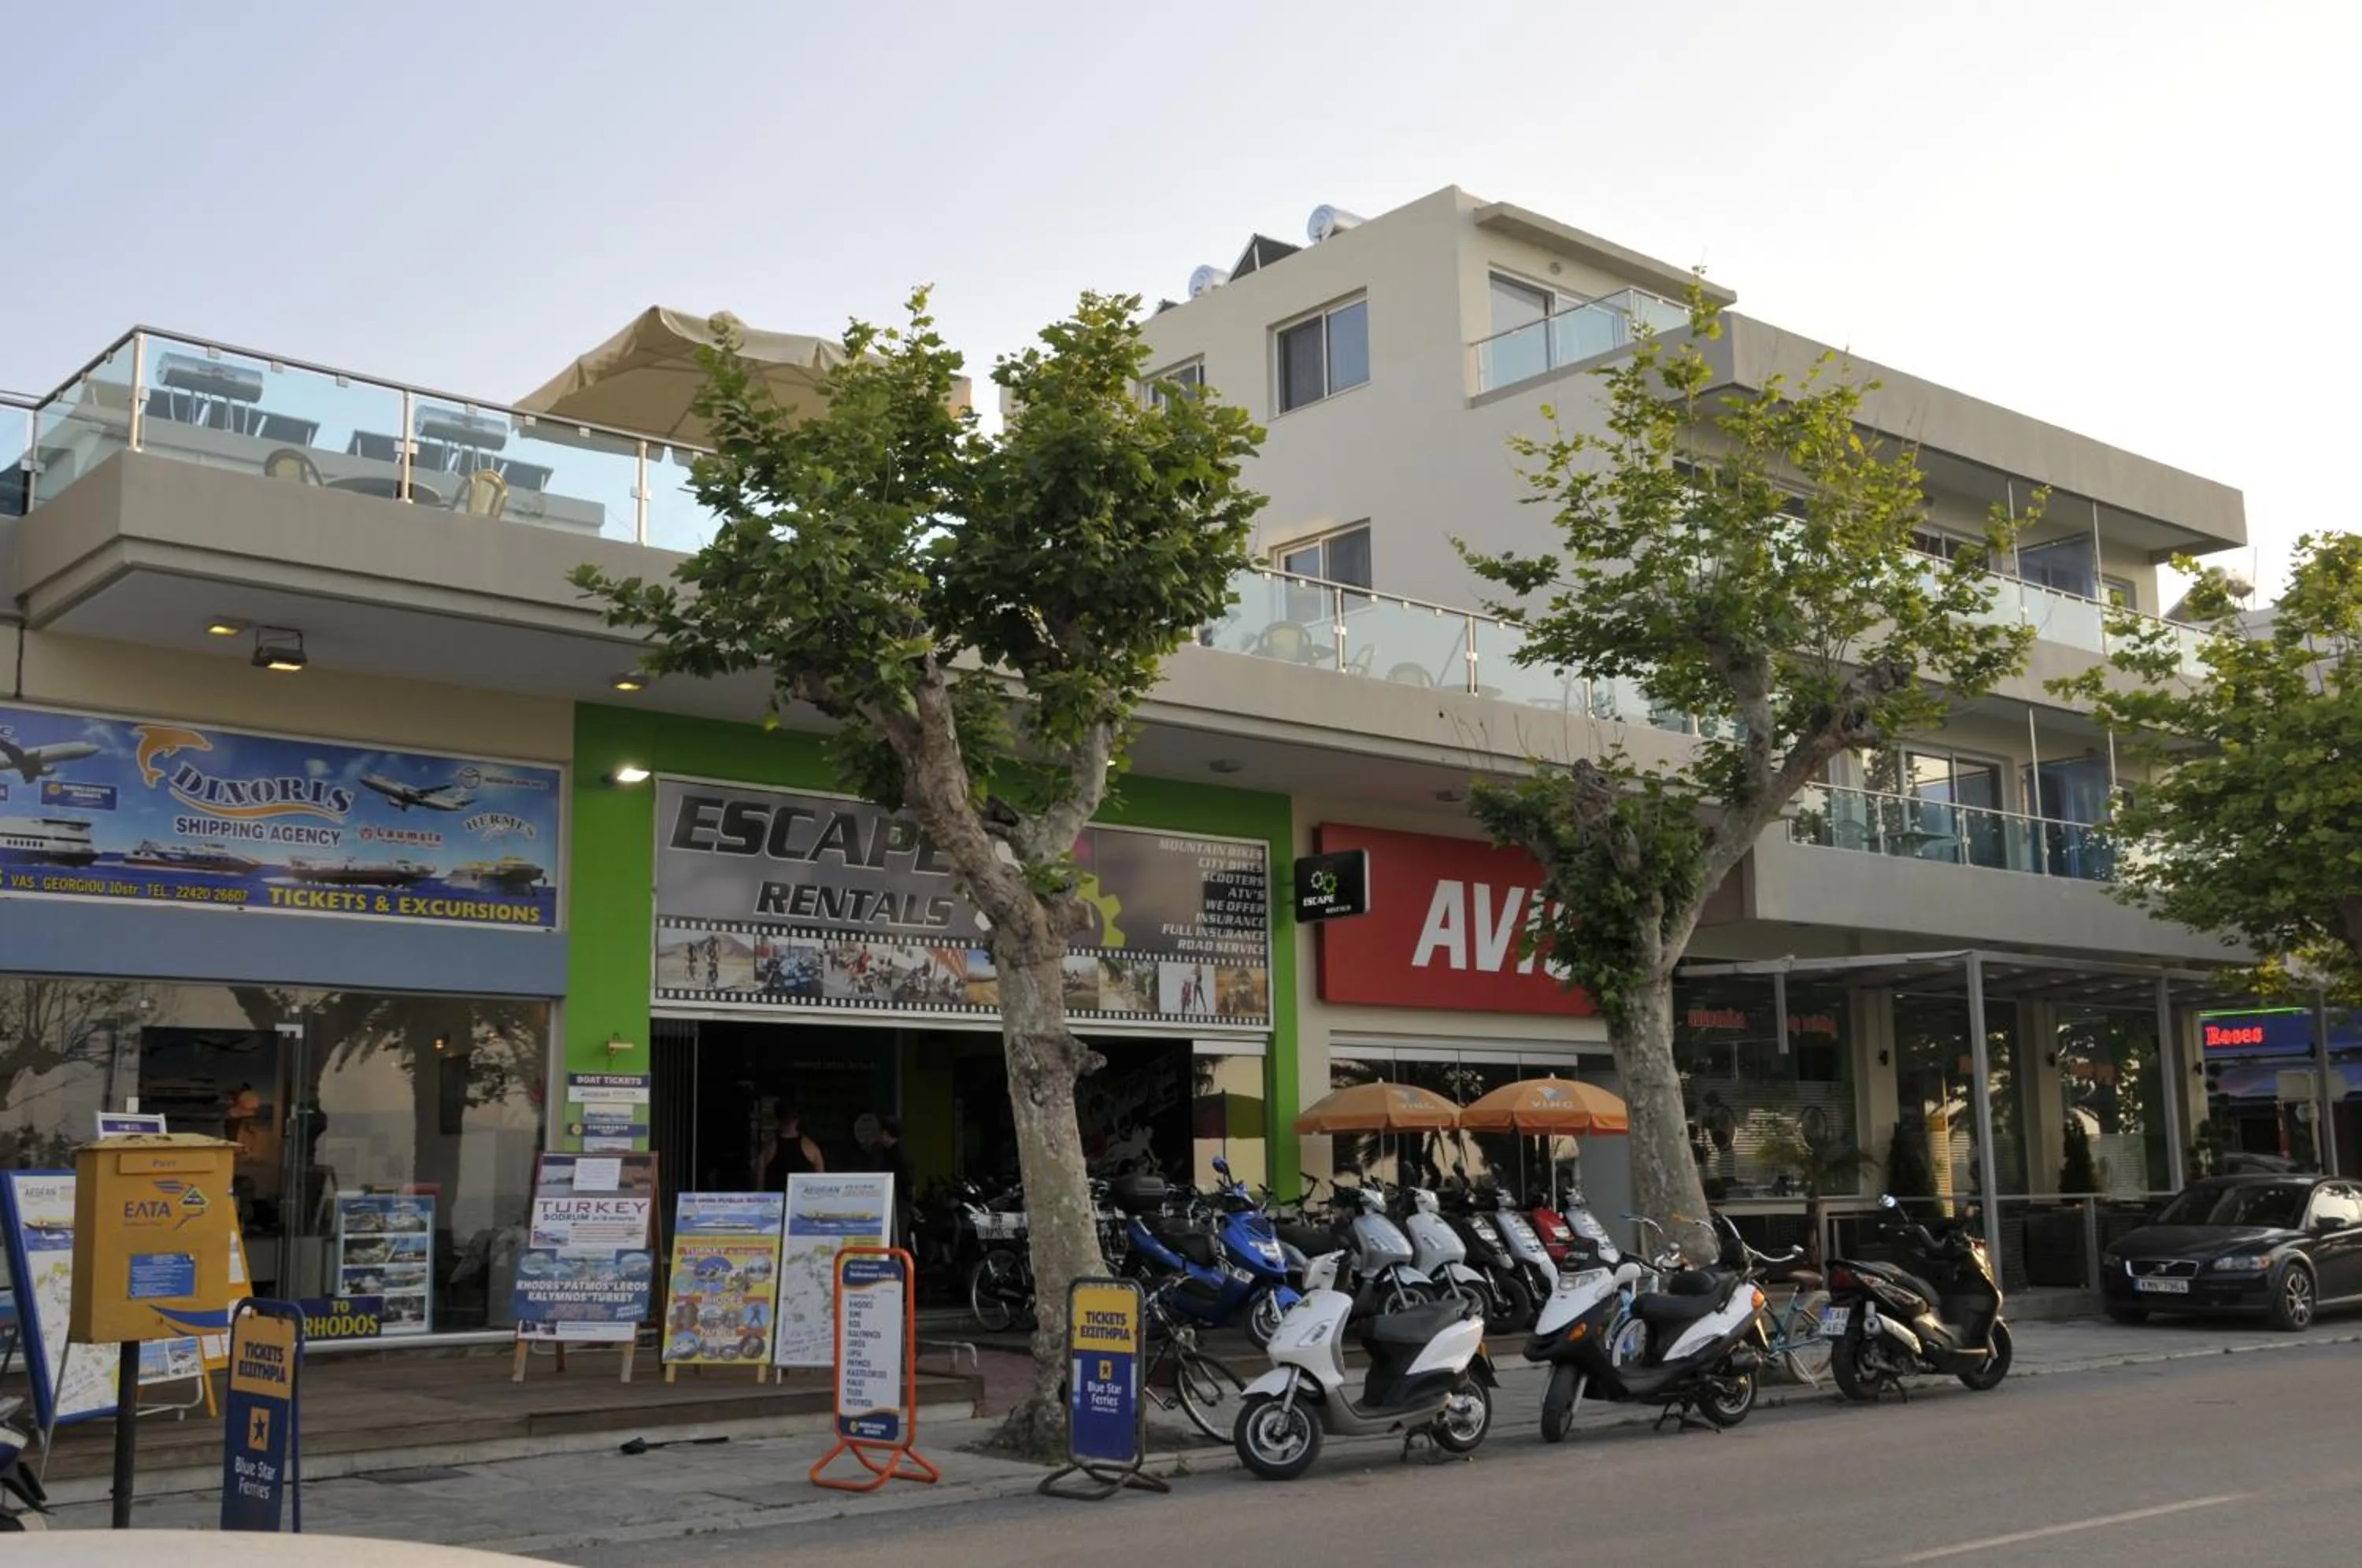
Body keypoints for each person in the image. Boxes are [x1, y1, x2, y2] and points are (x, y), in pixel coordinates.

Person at [756, 1104, 824, 1190]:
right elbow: (821, 1183)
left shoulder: (768, 1149)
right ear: (797, 1120)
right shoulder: (811, 1148)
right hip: (802, 1201)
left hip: (778, 1201)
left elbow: (758, 1187)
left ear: (778, 1119)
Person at [869, 1115, 912, 1252]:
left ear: (885, 1133)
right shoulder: (881, 1151)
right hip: (884, 1204)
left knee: (896, 1243)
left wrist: (906, 1203)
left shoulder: (900, 1155)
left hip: (898, 1207)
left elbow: (909, 1185)